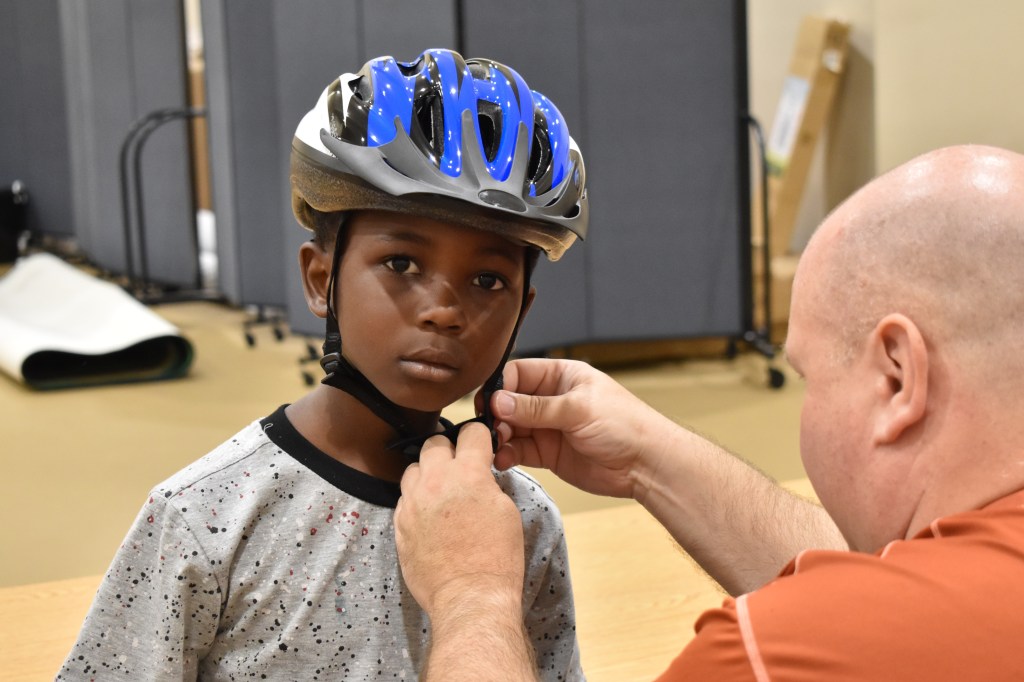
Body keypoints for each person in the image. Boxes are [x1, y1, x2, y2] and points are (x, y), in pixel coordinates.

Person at [395, 144, 1024, 680]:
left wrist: (470, 594)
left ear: (897, 375)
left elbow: (865, 617)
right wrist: (645, 454)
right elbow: (898, 588)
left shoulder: (769, 657)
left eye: (810, 377)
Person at [58, 48, 589, 681]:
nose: (445, 311)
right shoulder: (205, 516)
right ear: (320, 281)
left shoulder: (521, 521)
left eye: (486, 279)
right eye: (402, 264)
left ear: (522, 312)